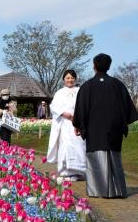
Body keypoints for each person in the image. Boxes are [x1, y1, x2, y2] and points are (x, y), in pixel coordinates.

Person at [73, 53, 138, 198]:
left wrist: (78, 125)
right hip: (114, 129)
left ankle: (98, 190)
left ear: (94, 66)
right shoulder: (117, 84)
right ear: (109, 66)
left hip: (94, 129)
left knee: (96, 156)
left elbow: (81, 109)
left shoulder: (87, 86)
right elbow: (128, 109)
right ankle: (118, 190)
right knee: (114, 155)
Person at [47, 70, 87, 181]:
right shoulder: (59, 93)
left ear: (75, 79)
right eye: (68, 78)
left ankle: (78, 171)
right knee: (66, 147)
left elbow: (84, 106)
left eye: (72, 78)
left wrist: (78, 117)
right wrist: (64, 113)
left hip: (77, 124)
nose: (70, 80)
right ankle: (66, 171)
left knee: (79, 147)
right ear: (64, 79)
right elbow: (53, 106)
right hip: (65, 124)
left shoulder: (80, 91)